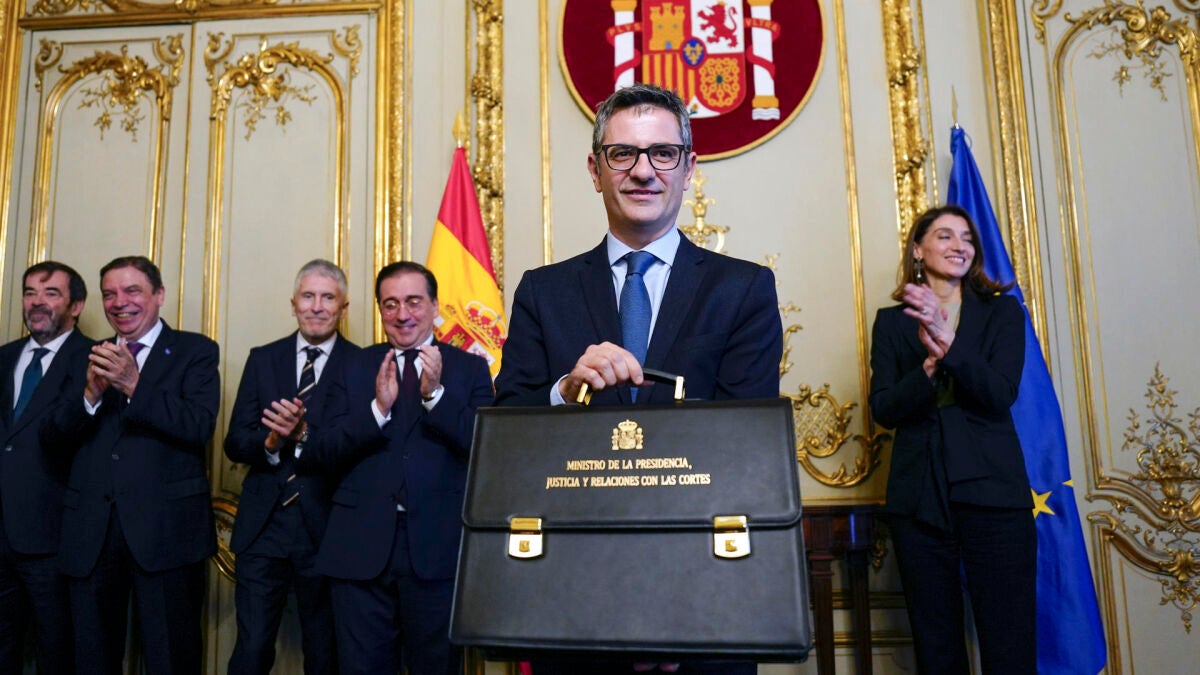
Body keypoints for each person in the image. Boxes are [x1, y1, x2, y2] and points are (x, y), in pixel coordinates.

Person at [493, 83, 782, 674]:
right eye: (622, 153)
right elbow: (504, 434)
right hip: (572, 596)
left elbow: (744, 450)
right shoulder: (542, 292)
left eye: (663, 153)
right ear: (595, 170)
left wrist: (675, 606)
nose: (643, 171)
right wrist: (564, 392)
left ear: (689, 168)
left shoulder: (743, 289)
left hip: (704, 597)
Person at [297, 261, 493, 675]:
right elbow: (317, 452)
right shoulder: (351, 366)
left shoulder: (470, 368)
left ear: (435, 306)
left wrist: (436, 397)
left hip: (438, 551)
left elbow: (487, 447)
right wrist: (376, 411)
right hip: (359, 550)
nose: (402, 314)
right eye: (390, 304)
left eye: (413, 302)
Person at [868, 204, 1036, 673]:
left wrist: (949, 343)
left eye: (967, 238)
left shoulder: (1002, 312)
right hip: (919, 498)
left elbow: (999, 393)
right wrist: (925, 370)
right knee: (936, 646)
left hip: (992, 494)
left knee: (1009, 643)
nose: (960, 246)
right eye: (945, 236)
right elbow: (884, 409)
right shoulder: (891, 322)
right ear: (918, 250)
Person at [57, 255, 219, 675]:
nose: (119, 302)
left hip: (166, 533)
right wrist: (89, 398)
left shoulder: (196, 351)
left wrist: (134, 385)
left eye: (132, 291)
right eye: (109, 294)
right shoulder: (83, 355)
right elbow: (52, 438)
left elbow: (198, 426)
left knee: (172, 658)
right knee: (91, 659)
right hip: (92, 534)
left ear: (159, 295)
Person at [225, 259, 359, 674]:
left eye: (327, 298)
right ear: (293, 304)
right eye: (308, 296)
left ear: (343, 308)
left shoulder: (362, 364)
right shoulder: (263, 359)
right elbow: (234, 441)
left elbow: (360, 446)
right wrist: (269, 443)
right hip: (263, 526)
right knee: (251, 650)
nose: (317, 306)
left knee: (324, 652)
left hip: (328, 525)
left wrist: (304, 435)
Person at [0, 261, 92, 674]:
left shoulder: (95, 359)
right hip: (0, 535)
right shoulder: (4, 357)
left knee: (56, 651)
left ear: (76, 306)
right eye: (30, 292)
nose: (37, 302)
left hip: (55, 537)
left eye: (51, 293)